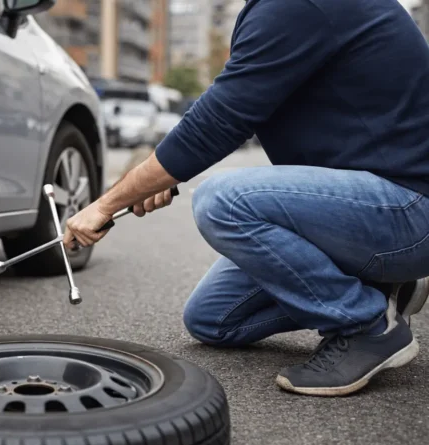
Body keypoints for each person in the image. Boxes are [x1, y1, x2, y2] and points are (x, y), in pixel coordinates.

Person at [62, 0, 429, 397]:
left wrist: (106, 204)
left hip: (410, 206)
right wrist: (156, 176)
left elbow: (217, 123)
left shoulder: (298, 5)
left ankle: (367, 327)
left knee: (223, 202)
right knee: (212, 319)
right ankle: (381, 287)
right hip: (373, 205)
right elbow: (235, 103)